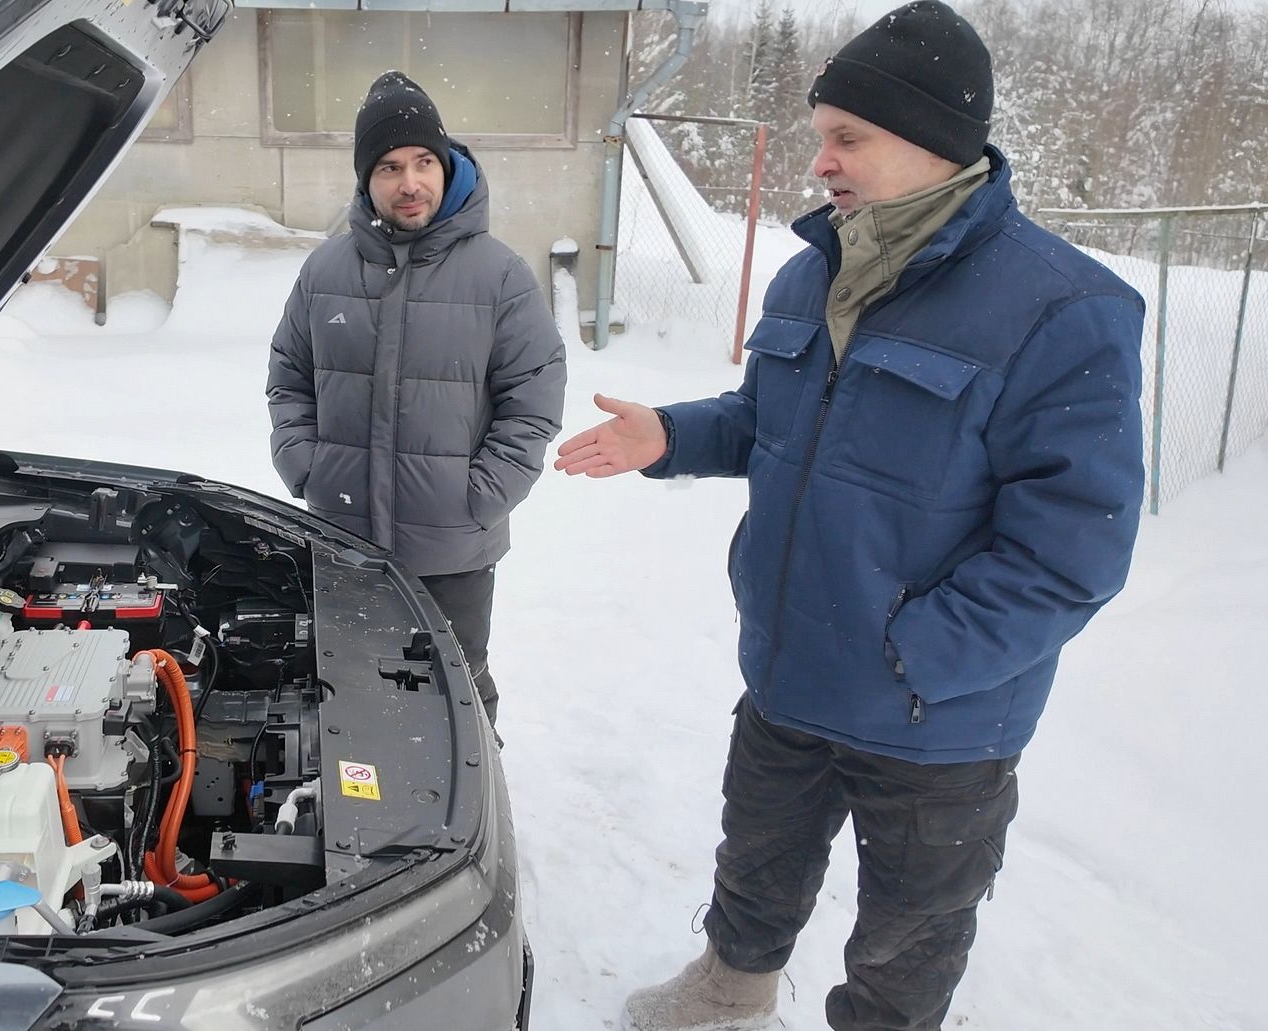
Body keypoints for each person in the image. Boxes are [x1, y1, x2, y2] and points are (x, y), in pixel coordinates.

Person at [554, 4, 1145, 1028]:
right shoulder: (811, 271)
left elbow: (1072, 548)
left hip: (936, 712)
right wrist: (673, 436)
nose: (820, 161)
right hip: (791, 664)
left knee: (911, 926)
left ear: (933, 141)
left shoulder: (1061, 309)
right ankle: (730, 987)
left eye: (846, 137)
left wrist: (914, 652)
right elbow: (767, 422)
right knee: (757, 853)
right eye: (820, 134)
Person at [266, 70, 566, 728]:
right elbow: (289, 374)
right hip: (343, 533)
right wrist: (304, 462)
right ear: (366, 179)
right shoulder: (325, 271)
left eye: (424, 162)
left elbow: (533, 397)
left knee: (457, 691)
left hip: (451, 547)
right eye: (390, 166)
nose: (410, 182)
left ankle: (478, 794)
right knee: (349, 687)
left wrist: (480, 494)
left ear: (446, 164)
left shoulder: (499, 276)